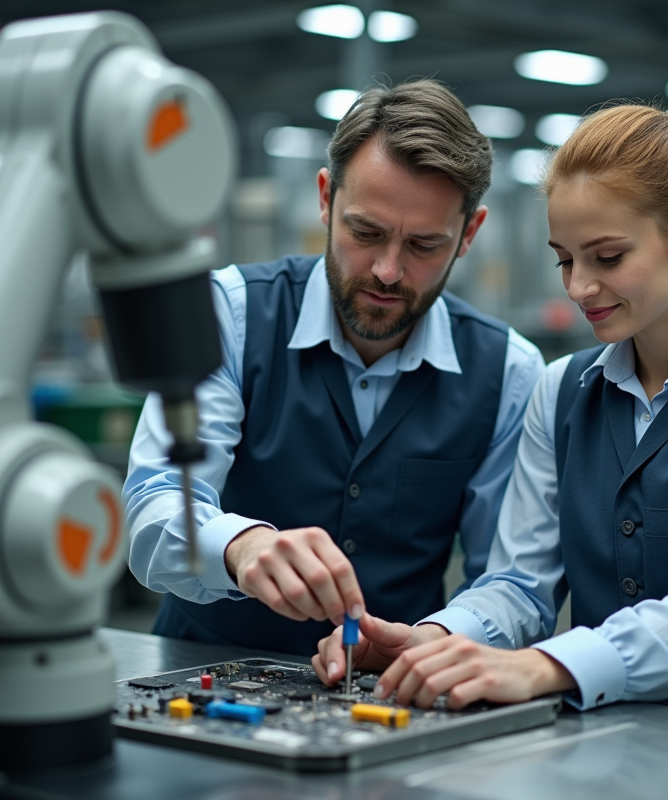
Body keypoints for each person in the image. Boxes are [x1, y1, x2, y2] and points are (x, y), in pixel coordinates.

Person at [314, 103, 668, 729]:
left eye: (606, 258)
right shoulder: (563, 391)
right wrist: (436, 641)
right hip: (616, 745)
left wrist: (543, 668)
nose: (577, 288)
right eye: (565, 260)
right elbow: (520, 583)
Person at [124, 79, 544, 656]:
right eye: (365, 232)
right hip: (196, 672)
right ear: (326, 199)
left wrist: (435, 639)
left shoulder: (510, 373)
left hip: (392, 697)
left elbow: (515, 581)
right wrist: (240, 547)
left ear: (468, 235)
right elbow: (155, 505)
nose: (388, 271)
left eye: (424, 245)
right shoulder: (230, 315)